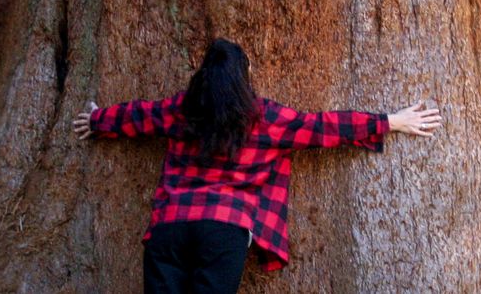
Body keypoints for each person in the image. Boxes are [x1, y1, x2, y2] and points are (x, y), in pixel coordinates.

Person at [73, 38, 442, 294]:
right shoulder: (264, 118)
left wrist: (97, 120)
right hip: (224, 231)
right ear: (243, 78)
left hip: (169, 229)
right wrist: (390, 121)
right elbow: (322, 127)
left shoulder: (182, 109)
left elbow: (139, 116)